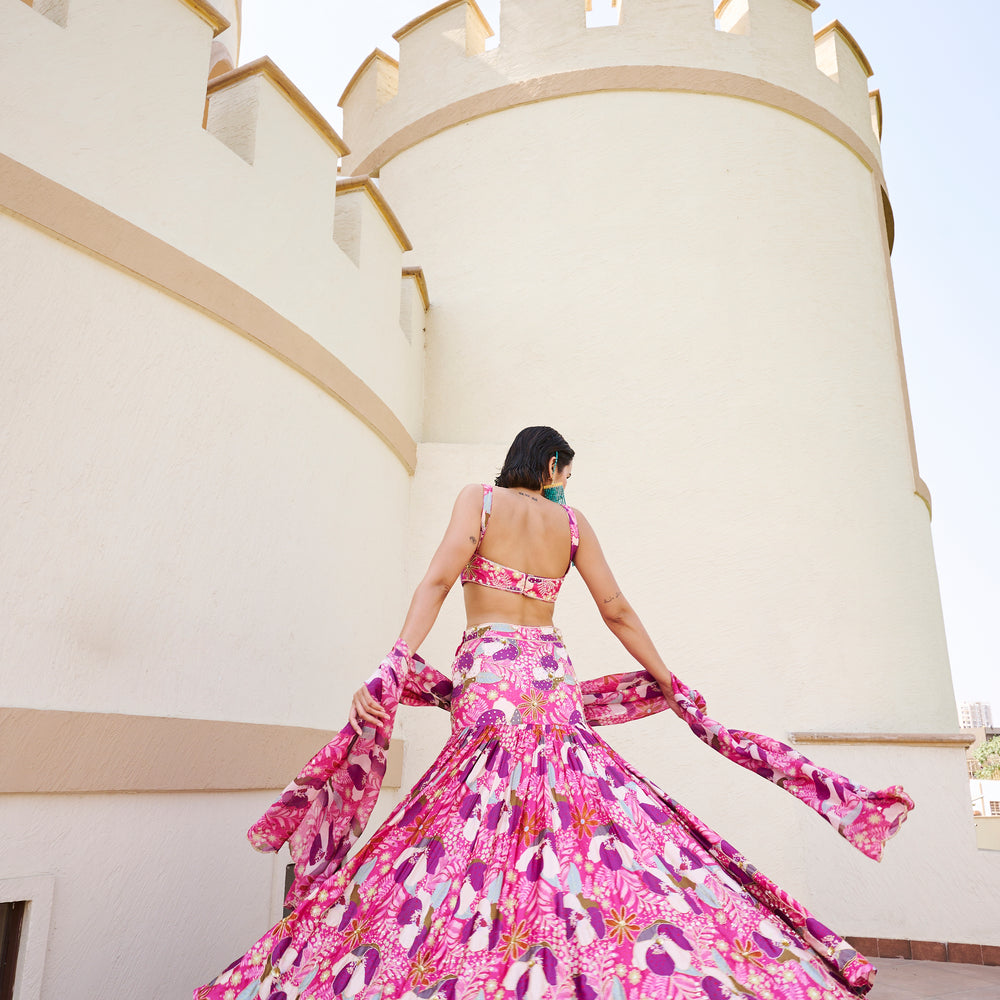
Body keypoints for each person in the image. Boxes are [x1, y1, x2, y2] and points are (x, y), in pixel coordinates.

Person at [196, 426, 907, 1000]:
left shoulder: (477, 502)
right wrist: (670, 681)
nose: (569, 481)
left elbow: (440, 577)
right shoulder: (570, 522)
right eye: (568, 469)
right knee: (579, 816)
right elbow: (616, 608)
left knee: (464, 816)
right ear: (552, 462)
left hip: (492, 678)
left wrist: (393, 661)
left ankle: (465, 954)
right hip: (552, 679)